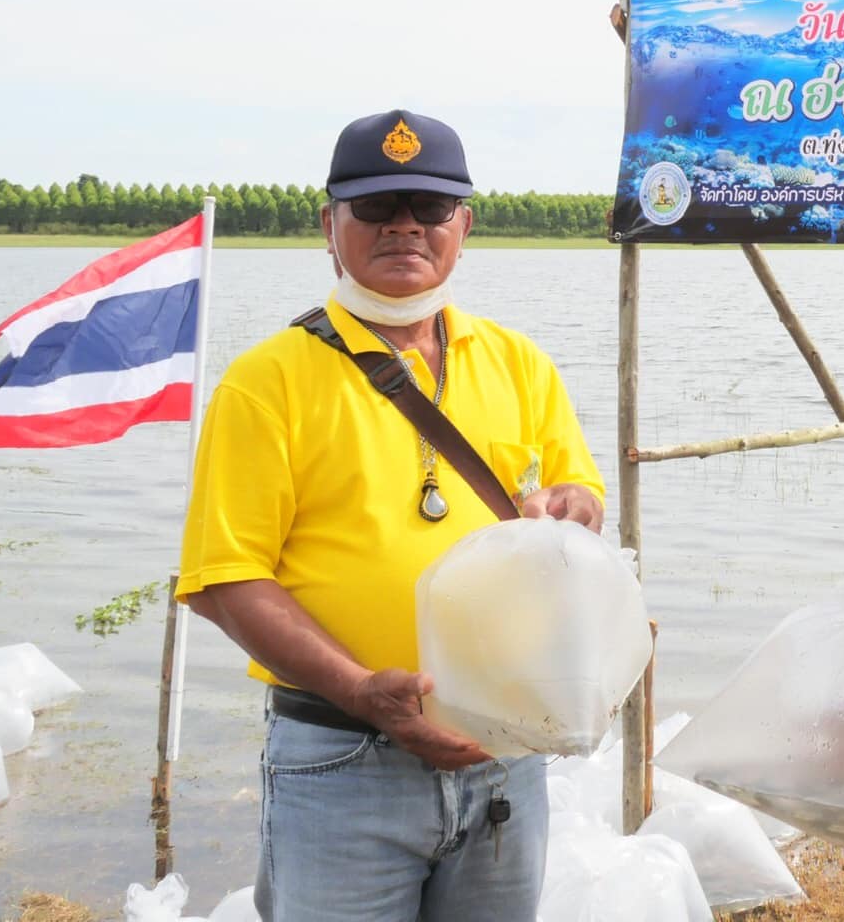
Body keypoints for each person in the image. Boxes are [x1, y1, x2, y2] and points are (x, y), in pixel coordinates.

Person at [178, 109, 606, 922]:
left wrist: (576, 507)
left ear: (463, 227)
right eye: (375, 206)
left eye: (430, 207)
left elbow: (578, 492)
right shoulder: (266, 380)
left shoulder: (520, 363)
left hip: (505, 756)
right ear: (329, 226)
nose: (404, 225)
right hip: (341, 761)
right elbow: (226, 579)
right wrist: (361, 690)